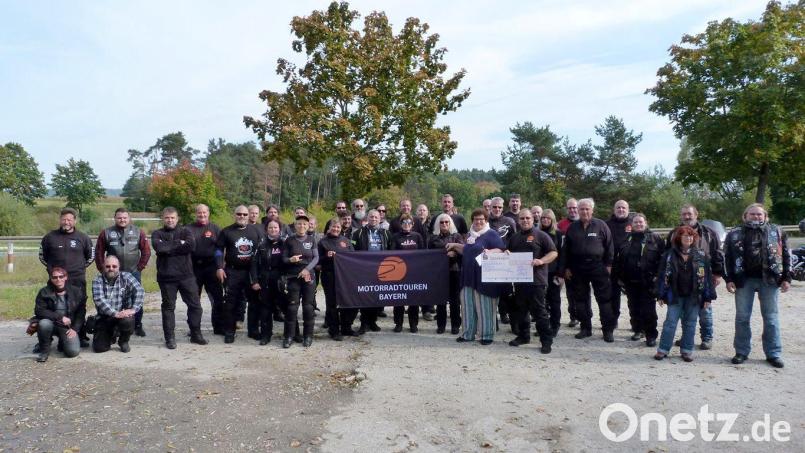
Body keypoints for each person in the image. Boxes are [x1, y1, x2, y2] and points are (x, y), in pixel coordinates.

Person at [725, 204, 791, 368]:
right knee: (742, 317)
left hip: (770, 279)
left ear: (765, 216)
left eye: (759, 214)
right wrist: (729, 279)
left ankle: (773, 354)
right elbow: (727, 257)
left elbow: (786, 255)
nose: (756, 217)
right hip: (743, 280)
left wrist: (787, 278)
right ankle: (741, 352)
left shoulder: (777, 231)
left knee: (771, 318)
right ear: (745, 216)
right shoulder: (734, 233)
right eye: (752, 214)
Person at [654, 226, 716, 362]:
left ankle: (687, 351)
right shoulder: (668, 255)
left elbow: (707, 278)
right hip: (674, 295)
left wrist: (708, 297)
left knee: (690, 323)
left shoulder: (701, 255)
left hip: (694, 296)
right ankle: (663, 350)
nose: (688, 238)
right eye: (685, 235)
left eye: (691, 235)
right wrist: (660, 294)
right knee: (670, 323)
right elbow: (662, 276)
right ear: (678, 238)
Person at [666, 204, 724, 350]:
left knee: (705, 309)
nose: (686, 217)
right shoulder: (674, 233)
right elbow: (667, 255)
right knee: (684, 311)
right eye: (684, 214)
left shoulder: (709, 233)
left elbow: (717, 253)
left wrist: (717, 273)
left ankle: (707, 337)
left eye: (689, 214)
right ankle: (686, 337)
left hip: (703, 277)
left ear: (696, 215)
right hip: (681, 280)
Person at [559, 198, 617, 342]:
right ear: (578, 211)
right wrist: (565, 268)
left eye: (587, 209)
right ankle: (585, 328)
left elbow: (610, 246)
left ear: (592, 210)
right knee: (580, 300)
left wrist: (609, 265)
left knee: (604, 300)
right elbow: (566, 250)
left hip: (598, 267)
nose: (584, 211)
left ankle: (607, 330)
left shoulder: (601, 225)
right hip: (577, 268)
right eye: (582, 209)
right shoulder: (572, 227)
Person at [447, 208, 505, 345]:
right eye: (475, 219)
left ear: (486, 220)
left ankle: (486, 335)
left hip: (484, 278)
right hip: (467, 277)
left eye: (481, 219)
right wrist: (455, 245)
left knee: (485, 308)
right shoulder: (470, 235)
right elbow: (467, 250)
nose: (478, 221)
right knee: (468, 307)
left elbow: (501, 249)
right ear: (472, 220)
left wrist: (491, 251)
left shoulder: (491, 234)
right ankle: (468, 334)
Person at [152, 207, 208, 349]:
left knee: (195, 306)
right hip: (166, 278)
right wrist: (179, 243)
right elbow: (159, 248)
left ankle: (195, 334)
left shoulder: (185, 231)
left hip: (186, 276)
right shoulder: (157, 233)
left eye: (172, 217)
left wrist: (169, 247)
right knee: (168, 308)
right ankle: (170, 338)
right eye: (167, 218)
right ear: (163, 218)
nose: (170, 220)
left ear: (177, 219)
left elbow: (191, 246)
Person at [39, 207, 93, 348]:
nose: (66, 222)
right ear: (60, 220)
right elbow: (42, 256)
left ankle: (80, 335)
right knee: (53, 306)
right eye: (64, 219)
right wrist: (54, 272)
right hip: (56, 279)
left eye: (69, 219)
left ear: (75, 221)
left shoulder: (83, 238)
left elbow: (90, 257)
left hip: (77, 279)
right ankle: (46, 338)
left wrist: (78, 268)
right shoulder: (50, 237)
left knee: (79, 307)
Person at [507, 209, 558, 353]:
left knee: (539, 311)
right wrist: (506, 254)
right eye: (522, 218)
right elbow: (508, 252)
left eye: (527, 218)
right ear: (518, 220)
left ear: (532, 219)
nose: (525, 220)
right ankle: (524, 336)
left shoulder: (541, 235)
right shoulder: (515, 238)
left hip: (537, 281)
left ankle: (546, 341)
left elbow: (553, 252)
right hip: (519, 280)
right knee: (521, 310)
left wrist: (541, 261)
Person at [95, 207, 150, 337]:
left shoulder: (138, 232)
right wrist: (102, 268)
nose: (122, 220)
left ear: (129, 218)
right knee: (112, 298)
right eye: (119, 217)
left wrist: (140, 267)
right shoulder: (106, 233)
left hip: (133, 272)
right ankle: (112, 324)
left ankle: (137, 325)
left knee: (136, 298)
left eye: (125, 217)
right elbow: (99, 252)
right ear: (115, 218)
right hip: (112, 273)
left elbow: (146, 251)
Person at [614, 214, 664, 347]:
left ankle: (651, 335)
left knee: (648, 310)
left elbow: (663, 259)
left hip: (648, 281)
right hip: (630, 281)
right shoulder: (627, 239)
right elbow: (619, 259)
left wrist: (658, 276)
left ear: (646, 223)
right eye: (635, 222)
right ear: (632, 224)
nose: (638, 224)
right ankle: (638, 330)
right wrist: (620, 277)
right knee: (633, 307)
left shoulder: (655, 238)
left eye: (641, 222)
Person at [215, 205, 263, 344]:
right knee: (231, 303)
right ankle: (230, 332)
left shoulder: (256, 230)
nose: (242, 216)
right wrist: (219, 267)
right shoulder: (226, 231)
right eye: (239, 214)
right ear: (234, 215)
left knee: (254, 302)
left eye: (244, 214)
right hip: (232, 271)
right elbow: (218, 250)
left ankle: (253, 330)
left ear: (248, 215)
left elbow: (262, 249)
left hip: (251, 272)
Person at [91, 256, 145, 354]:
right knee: (100, 348)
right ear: (103, 267)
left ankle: (123, 341)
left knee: (128, 320)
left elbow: (140, 291)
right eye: (108, 266)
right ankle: (111, 334)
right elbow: (99, 300)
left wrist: (133, 309)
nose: (111, 268)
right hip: (105, 317)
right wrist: (115, 313)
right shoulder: (97, 280)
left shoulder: (127, 277)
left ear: (119, 267)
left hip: (123, 315)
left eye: (114, 266)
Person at [351, 209, 393, 334]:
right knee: (365, 295)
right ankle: (364, 323)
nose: (373, 219)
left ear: (380, 219)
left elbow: (391, 250)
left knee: (376, 295)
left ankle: (373, 321)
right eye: (371, 217)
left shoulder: (386, 233)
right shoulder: (358, 233)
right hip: (364, 269)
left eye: (376, 217)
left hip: (380, 269)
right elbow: (352, 250)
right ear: (367, 218)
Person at [186, 204, 226, 335]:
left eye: (204, 212)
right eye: (199, 213)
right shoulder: (188, 229)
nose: (202, 215)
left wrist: (220, 266)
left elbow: (219, 250)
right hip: (194, 268)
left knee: (217, 298)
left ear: (208, 213)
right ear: (195, 214)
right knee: (193, 300)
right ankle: (194, 328)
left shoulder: (215, 229)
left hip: (211, 268)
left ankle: (219, 327)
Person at [281, 215, 319, 348]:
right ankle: (289, 336)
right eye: (299, 224)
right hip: (293, 277)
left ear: (308, 226)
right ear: (295, 225)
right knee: (292, 308)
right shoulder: (289, 240)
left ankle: (308, 336)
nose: (302, 226)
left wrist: (307, 269)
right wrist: (290, 260)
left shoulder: (312, 239)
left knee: (308, 307)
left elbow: (316, 258)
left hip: (308, 277)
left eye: (304, 224)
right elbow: (283, 259)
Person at [32, 267, 83, 362]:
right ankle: (44, 350)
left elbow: (81, 312)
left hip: (67, 327)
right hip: (50, 323)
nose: (58, 279)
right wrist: (60, 317)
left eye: (61, 276)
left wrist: (75, 329)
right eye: (54, 277)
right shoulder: (44, 292)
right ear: (51, 279)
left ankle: (62, 343)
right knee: (43, 324)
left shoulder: (76, 291)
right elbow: (39, 311)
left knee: (73, 352)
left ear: (66, 277)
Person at [318, 218, 357, 340]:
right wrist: (326, 256)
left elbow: (354, 258)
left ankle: (346, 327)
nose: (335, 229)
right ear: (329, 228)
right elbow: (317, 261)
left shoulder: (346, 241)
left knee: (348, 301)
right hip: (329, 276)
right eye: (333, 227)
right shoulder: (322, 242)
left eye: (338, 227)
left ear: (341, 228)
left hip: (345, 277)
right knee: (332, 304)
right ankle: (334, 330)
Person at [250, 220, 286, 345]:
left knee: (287, 308)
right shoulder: (261, 244)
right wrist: (254, 281)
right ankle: (266, 335)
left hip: (281, 280)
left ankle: (292, 334)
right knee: (265, 309)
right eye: (270, 227)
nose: (273, 230)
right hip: (265, 280)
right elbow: (254, 264)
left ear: (279, 229)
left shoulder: (285, 243)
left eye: (275, 227)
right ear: (266, 229)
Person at [389, 213, 426, 333]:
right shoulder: (395, 237)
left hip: (414, 272)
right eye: (404, 222)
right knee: (398, 298)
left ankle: (413, 324)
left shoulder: (417, 236)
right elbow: (391, 254)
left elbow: (423, 253)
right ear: (400, 224)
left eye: (409, 222)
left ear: (413, 224)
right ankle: (398, 323)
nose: (406, 224)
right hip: (399, 272)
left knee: (414, 299)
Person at [428, 213, 464, 334]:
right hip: (439, 273)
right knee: (440, 301)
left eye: (446, 222)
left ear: (450, 223)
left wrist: (455, 253)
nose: (444, 224)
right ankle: (441, 325)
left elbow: (463, 251)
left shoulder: (457, 236)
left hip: (454, 271)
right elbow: (428, 255)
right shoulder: (433, 238)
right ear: (438, 224)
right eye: (442, 222)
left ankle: (455, 325)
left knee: (455, 301)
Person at [488, 197, 517, 328]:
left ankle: (507, 316)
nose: (497, 209)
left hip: (506, 261)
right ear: (490, 207)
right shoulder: (485, 221)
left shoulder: (509, 221)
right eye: (494, 207)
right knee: (490, 292)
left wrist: (512, 253)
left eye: (499, 207)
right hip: (489, 262)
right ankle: (493, 321)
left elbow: (515, 239)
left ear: (503, 207)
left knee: (506, 291)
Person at [606, 200, 633, 333]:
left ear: (628, 209)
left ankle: (636, 324)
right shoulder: (606, 224)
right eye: (618, 207)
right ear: (614, 209)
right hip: (612, 266)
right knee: (613, 295)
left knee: (633, 296)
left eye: (623, 207)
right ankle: (613, 320)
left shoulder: (634, 223)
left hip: (630, 266)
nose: (621, 210)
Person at [539, 209, 564, 336]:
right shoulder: (537, 233)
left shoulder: (558, 234)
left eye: (548, 218)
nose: (545, 220)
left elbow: (562, 255)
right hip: (539, 272)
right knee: (542, 301)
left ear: (552, 220)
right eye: (543, 217)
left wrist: (560, 274)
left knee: (554, 300)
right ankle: (544, 326)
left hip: (553, 272)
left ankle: (555, 325)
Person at [556, 198, 580, 328]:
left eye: (574, 207)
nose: (572, 210)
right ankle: (573, 317)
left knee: (582, 292)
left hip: (580, 262)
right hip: (565, 262)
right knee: (570, 292)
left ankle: (584, 317)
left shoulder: (584, 222)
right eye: (570, 208)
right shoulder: (561, 224)